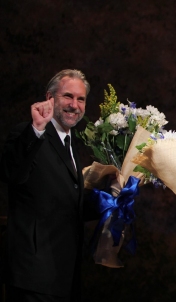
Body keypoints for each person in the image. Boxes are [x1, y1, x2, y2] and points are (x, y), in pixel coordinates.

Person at [0, 69, 95, 301]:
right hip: (32, 277)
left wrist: (112, 198)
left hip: (63, 278)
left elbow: (66, 205)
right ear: (50, 98)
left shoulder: (71, 144)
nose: (74, 105)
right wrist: (36, 130)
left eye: (80, 99)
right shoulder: (28, 133)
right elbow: (12, 172)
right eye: (68, 97)